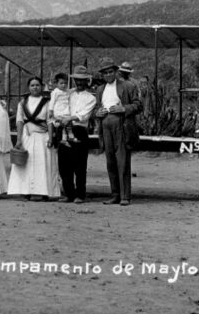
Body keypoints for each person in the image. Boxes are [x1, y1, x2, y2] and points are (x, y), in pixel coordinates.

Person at [93, 57, 142, 206]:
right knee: (110, 161)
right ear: (102, 75)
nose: (108, 75)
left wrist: (123, 108)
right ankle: (114, 194)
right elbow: (95, 108)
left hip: (121, 124)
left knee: (122, 161)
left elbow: (138, 105)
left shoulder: (127, 86)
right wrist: (98, 112)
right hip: (105, 125)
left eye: (110, 72)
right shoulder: (100, 89)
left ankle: (124, 196)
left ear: (116, 72)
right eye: (105, 73)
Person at [7, 76, 59, 201]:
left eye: (37, 85)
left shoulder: (47, 102)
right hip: (27, 135)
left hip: (43, 136)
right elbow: (19, 121)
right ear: (28, 87)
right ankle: (26, 191)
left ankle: (45, 192)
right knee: (27, 164)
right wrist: (19, 139)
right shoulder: (23, 103)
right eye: (32, 85)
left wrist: (51, 137)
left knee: (44, 163)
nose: (35, 87)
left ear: (41, 87)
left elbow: (50, 121)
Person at [56, 66, 96, 203]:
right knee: (64, 164)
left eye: (82, 80)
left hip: (79, 129)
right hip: (64, 128)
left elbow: (84, 115)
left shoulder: (91, 98)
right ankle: (68, 193)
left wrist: (70, 118)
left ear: (87, 81)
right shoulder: (68, 93)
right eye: (77, 80)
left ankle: (80, 194)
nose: (79, 83)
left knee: (79, 165)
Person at [48, 72, 72, 146]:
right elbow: (52, 102)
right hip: (58, 110)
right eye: (61, 83)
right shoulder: (55, 92)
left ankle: (66, 138)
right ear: (56, 84)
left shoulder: (68, 91)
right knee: (59, 125)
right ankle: (58, 141)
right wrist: (50, 110)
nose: (63, 85)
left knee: (67, 125)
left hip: (66, 109)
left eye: (65, 83)